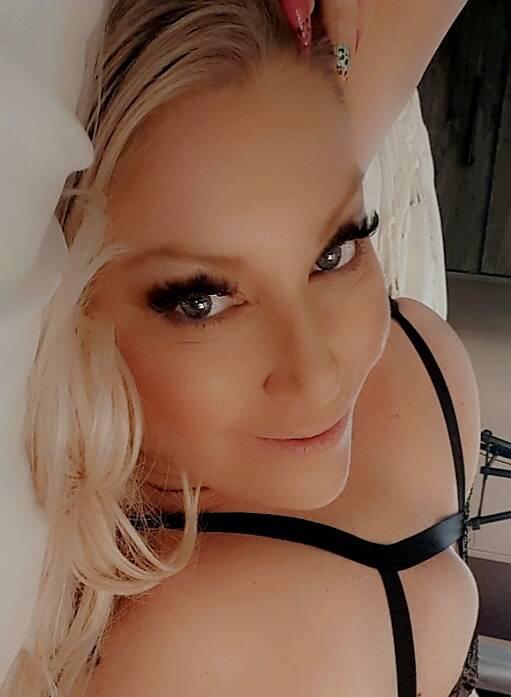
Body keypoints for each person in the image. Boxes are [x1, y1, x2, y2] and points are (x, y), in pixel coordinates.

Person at [0, 1, 481, 696]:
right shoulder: (428, 355)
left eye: (334, 251)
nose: (319, 378)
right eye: (201, 302)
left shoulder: (169, 646)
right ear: (75, 309)